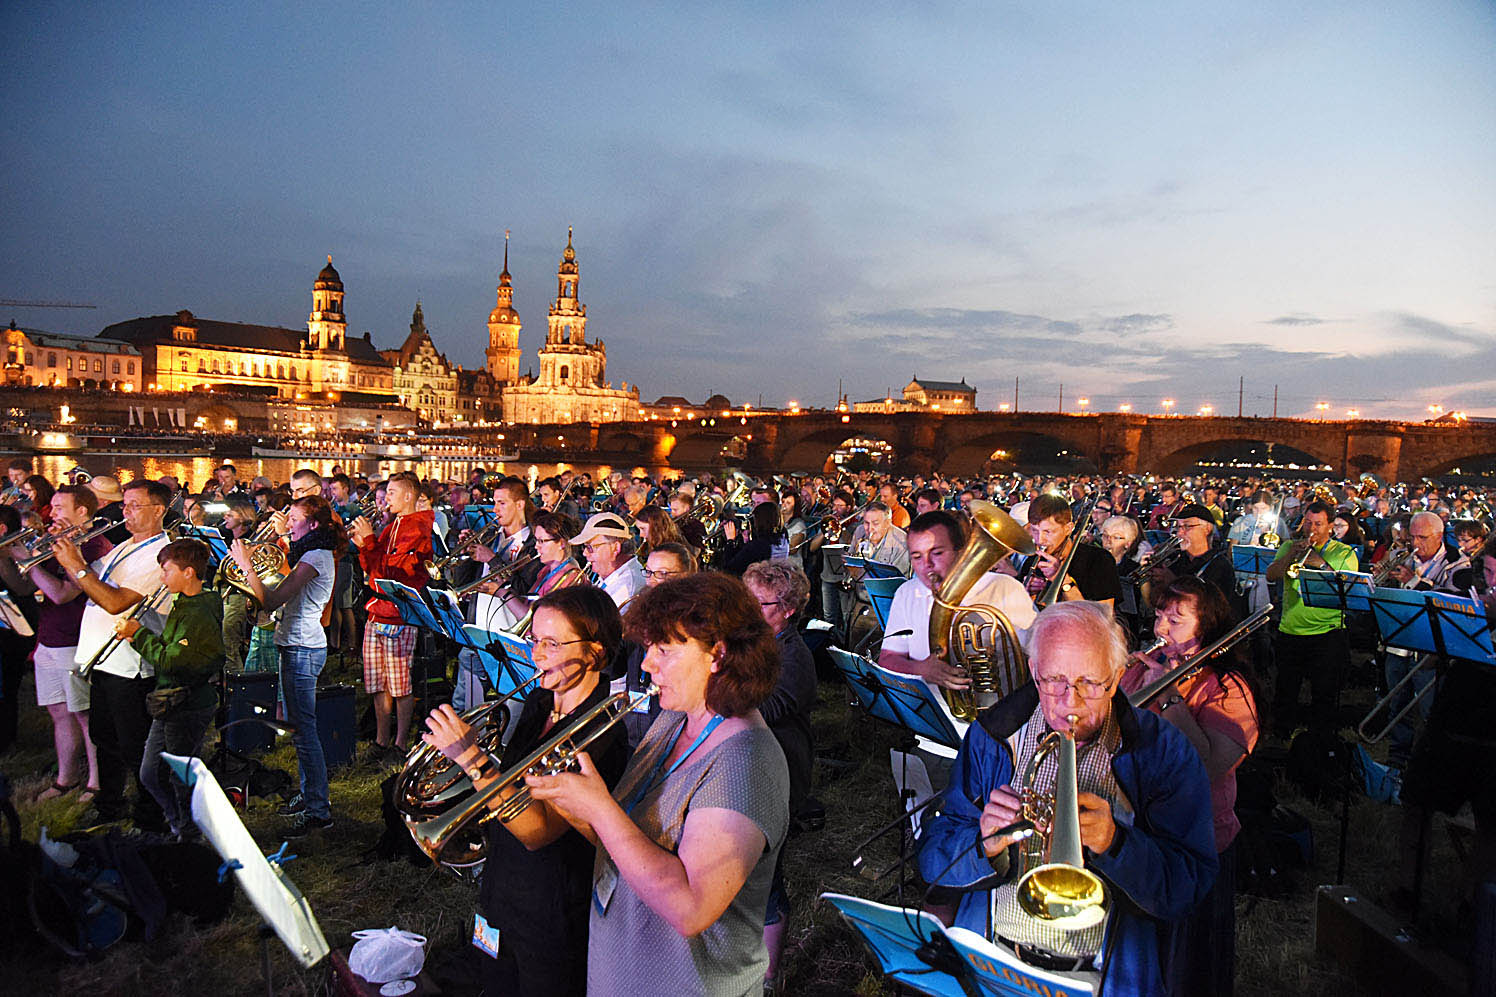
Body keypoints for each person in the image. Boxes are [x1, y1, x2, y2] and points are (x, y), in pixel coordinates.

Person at [917, 601, 1217, 995]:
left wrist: (1116, 844)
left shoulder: (1163, 751)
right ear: (1033, 674)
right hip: (993, 961)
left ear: (1115, 679)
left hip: (1104, 977)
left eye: (1089, 683)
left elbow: (1189, 887)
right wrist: (982, 845)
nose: (1069, 701)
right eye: (1053, 679)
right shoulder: (991, 736)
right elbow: (933, 857)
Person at [527, 573, 790, 997]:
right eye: (649, 647)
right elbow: (631, 841)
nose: (647, 663)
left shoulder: (747, 762)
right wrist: (571, 801)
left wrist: (599, 809)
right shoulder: (674, 719)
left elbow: (691, 907)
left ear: (717, 655)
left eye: (663, 649)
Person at [421, 587, 631, 997]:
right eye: (535, 640)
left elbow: (538, 832)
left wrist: (472, 760)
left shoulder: (600, 728)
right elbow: (511, 785)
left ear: (595, 652)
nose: (536, 654)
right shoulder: (539, 701)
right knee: (493, 977)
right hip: (503, 884)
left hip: (550, 904)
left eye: (552, 644)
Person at [1120, 577, 1260, 996]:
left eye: (1176, 619)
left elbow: (1209, 764)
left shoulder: (1227, 686)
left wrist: (1167, 696)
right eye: (1160, 614)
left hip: (1193, 842)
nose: (1162, 628)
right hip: (1134, 831)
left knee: (1186, 969)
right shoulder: (1147, 665)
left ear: (1207, 626)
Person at [53, 478, 173, 828]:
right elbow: (89, 580)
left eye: (135, 505)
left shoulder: (159, 555)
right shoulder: (123, 548)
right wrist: (67, 547)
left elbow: (114, 601)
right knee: (104, 738)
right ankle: (109, 805)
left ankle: (151, 815)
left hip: (130, 665)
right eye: (124, 505)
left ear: (158, 510)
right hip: (103, 661)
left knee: (135, 745)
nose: (126, 512)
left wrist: (75, 563)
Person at [230, 494, 344, 835]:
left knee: (304, 732)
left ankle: (318, 810)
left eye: (294, 519)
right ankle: (311, 797)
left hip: (302, 648)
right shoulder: (310, 554)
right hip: (295, 644)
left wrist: (246, 564)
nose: (288, 524)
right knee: (298, 729)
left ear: (314, 525)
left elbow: (273, 598)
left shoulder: (315, 557)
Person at [0, 484, 106, 800]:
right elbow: (22, 587)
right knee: (60, 713)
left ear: (82, 511)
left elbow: (61, 593)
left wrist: (28, 556)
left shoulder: (92, 546)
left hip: (75, 640)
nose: (52, 514)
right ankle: (66, 779)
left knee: (85, 717)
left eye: (59, 508)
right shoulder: (56, 542)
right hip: (48, 640)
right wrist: (5, 559)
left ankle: (96, 783)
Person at [741, 560, 818, 989]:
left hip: (781, 768)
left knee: (767, 872)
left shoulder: (794, 656)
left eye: (761, 604)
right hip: (751, 761)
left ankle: (769, 977)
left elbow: (768, 711)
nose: (750, 610)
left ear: (788, 609)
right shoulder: (754, 640)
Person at [118, 539, 222, 842]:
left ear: (188, 572)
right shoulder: (186, 604)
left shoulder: (197, 612)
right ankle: (180, 825)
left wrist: (138, 635)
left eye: (167, 571)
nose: (162, 577)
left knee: (179, 776)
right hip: (171, 700)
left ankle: (191, 834)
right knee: (150, 773)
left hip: (186, 702)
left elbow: (174, 661)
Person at [879, 511, 1036, 696]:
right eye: (917, 556)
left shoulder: (1005, 588)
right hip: (935, 709)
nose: (926, 564)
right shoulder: (907, 592)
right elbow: (888, 658)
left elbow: (1039, 655)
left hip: (1000, 711)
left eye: (937, 552)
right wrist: (921, 669)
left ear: (961, 552)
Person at [353, 471, 433, 758]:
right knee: (377, 681)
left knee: (400, 684)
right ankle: (381, 739)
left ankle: (400, 742)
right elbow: (372, 569)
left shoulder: (419, 528)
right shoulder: (392, 526)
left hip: (398, 615)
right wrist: (364, 544)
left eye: (391, 493)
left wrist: (369, 542)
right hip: (376, 611)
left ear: (408, 496)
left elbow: (392, 574)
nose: (385, 499)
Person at [1266, 499, 1359, 739]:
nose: (1312, 529)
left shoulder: (1344, 552)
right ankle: (1281, 738)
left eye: (1318, 524)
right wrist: (1291, 556)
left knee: (1324, 694)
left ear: (1330, 526)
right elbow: (1271, 574)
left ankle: (1321, 742)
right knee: (1285, 691)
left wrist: (1317, 561)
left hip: (1327, 633)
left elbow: (1345, 587)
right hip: (1290, 629)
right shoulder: (1289, 546)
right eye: (1308, 523)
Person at [1022, 493, 1122, 609]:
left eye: (1048, 532)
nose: (1039, 540)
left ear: (1068, 528)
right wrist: (1028, 594)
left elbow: (1104, 615)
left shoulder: (1099, 559)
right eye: (1034, 530)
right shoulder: (1032, 562)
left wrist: (1063, 580)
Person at [1141, 502, 1237, 611]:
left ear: (1207, 529)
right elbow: (1155, 603)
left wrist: (1173, 582)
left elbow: (1213, 610)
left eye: (1187, 526)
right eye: (1178, 527)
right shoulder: (1175, 559)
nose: (1180, 533)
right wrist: (1151, 579)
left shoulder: (1221, 566)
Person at [576, 512, 646, 608]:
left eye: (590, 547)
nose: (585, 553)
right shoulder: (612, 574)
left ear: (615, 548)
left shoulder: (627, 587)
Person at [848, 501, 910, 578]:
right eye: (866, 523)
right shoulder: (860, 531)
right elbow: (850, 558)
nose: (870, 528)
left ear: (887, 523)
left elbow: (899, 579)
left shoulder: (901, 541)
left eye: (875, 523)